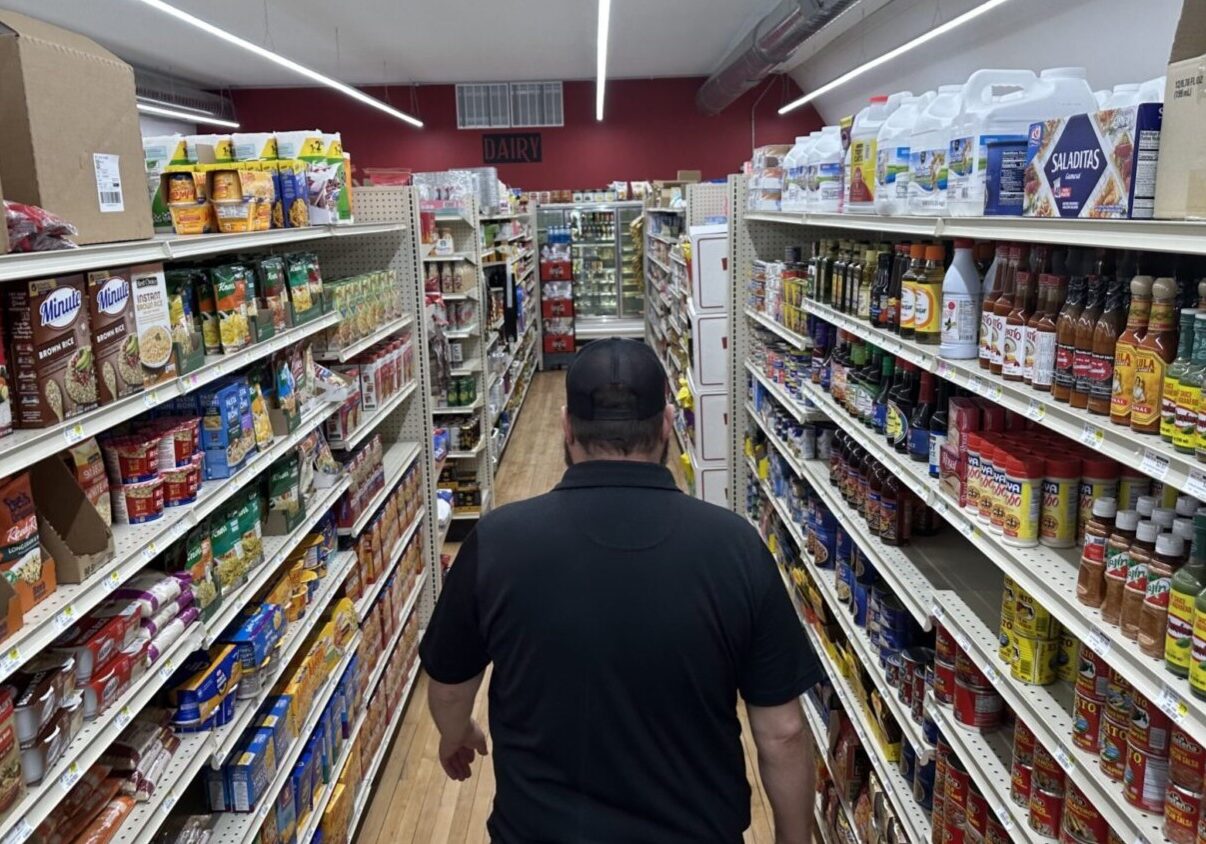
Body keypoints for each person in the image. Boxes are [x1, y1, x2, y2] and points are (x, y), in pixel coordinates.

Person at [420, 338, 822, 843]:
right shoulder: (735, 546)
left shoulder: (497, 541)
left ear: (566, 427)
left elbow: (451, 687)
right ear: (668, 424)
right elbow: (782, 732)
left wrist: (457, 733)